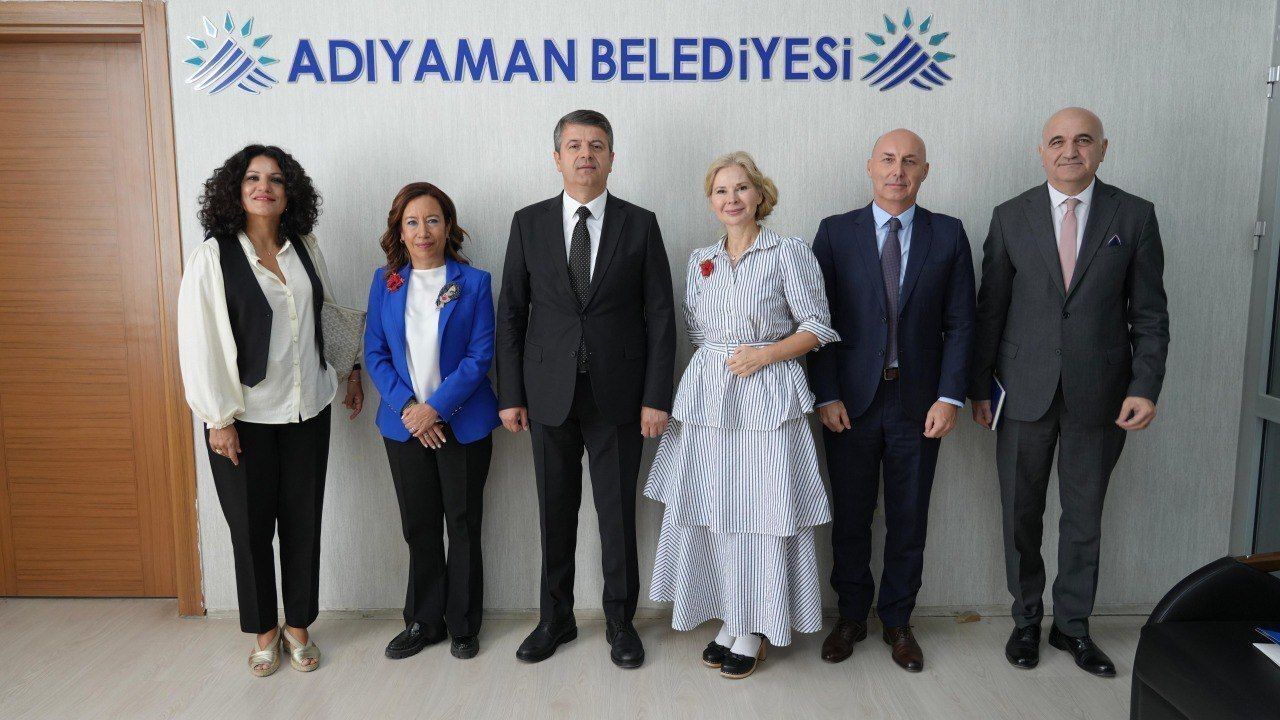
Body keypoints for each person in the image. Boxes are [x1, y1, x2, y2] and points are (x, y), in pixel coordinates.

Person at [969, 107, 1169, 678]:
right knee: (1020, 514)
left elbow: (1149, 314)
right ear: (1042, 151)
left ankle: (1073, 627)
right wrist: (979, 387)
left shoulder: (1134, 215)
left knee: (1084, 517)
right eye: (1057, 141)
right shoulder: (1010, 215)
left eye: (1083, 140)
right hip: (1022, 393)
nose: (1070, 151)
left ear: (1103, 148)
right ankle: (1026, 620)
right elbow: (990, 309)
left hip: (1101, 394)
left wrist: (1145, 386)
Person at [645, 151, 838, 680]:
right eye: (721, 191)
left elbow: (817, 326)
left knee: (759, 511)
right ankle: (732, 616)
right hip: (709, 400)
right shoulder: (700, 259)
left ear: (760, 195)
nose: (731, 199)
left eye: (741, 188)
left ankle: (756, 625)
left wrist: (764, 354)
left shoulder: (788, 251)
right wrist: (720, 365)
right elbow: (696, 329)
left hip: (767, 398)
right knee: (716, 508)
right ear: (711, 202)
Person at [495, 109, 676, 669]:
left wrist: (657, 397)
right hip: (546, 393)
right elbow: (511, 313)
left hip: (619, 395)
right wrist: (509, 394)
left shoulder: (639, 223)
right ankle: (556, 618)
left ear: (611, 158)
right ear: (557, 158)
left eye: (596, 146)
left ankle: (621, 621)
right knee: (555, 512)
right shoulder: (528, 223)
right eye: (574, 146)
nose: (585, 155)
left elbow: (660, 316)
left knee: (617, 514)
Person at [177, 145, 364, 677]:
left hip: (308, 409)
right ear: (236, 190)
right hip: (244, 418)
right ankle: (264, 632)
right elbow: (200, 341)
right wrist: (217, 419)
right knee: (250, 529)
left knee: (304, 522)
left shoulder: (303, 246)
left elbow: (327, 312)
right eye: (253, 178)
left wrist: (349, 370)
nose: (265, 187)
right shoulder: (213, 256)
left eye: (276, 179)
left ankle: (298, 627)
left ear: (289, 192)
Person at [809, 129, 976, 673]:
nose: (897, 170)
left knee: (909, 518)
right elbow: (817, 321)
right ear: (870, 166)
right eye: (887, 159)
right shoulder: (835, 233)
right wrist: (826, 392)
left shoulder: (948, 234)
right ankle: (851, 617)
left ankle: (898, 621)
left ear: (925, 171)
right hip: (850, 404)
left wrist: (950, 397)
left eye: (909, 161)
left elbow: (962, 323)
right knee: (851, 518)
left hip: (920, 403)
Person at [364, 182, 500, 661]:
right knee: (419, 526)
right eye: (412, 222)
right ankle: (424, 622)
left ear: (448, 227)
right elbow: (375, 353)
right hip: (404, 427)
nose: (423, 231)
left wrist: (434, 409)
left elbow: (480, 356)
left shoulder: (475, 282)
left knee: (462, 524)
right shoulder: (385, 282)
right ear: (400, 232)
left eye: (432, 220)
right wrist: (411, 410)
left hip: (461, 424)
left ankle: (463, 624)